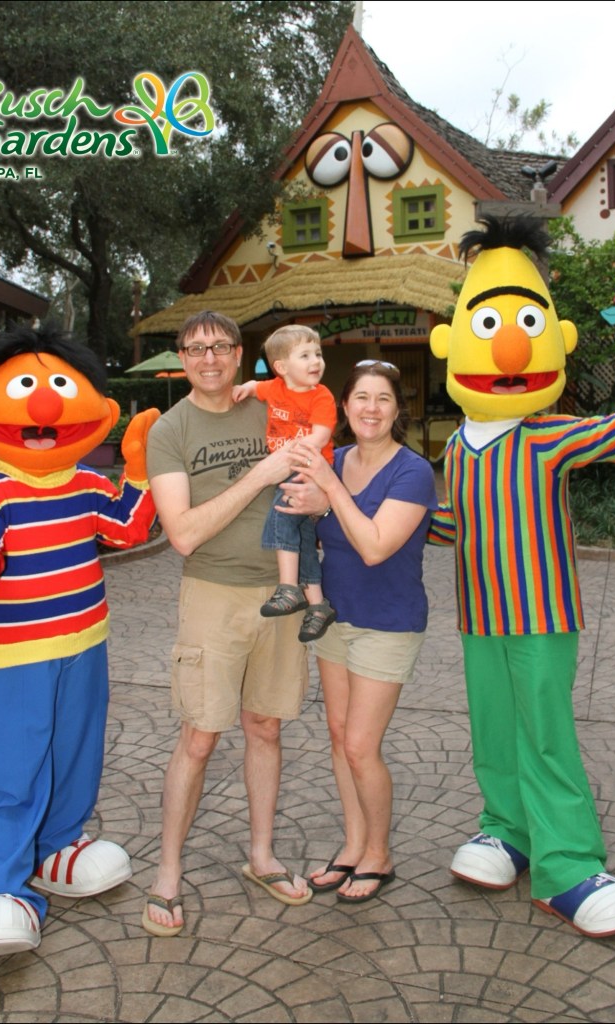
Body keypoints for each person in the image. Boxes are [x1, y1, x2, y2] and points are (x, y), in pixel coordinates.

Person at [428, 215, 615, 938]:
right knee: (494, 729)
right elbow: (451, 525)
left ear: (556, 339)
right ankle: (507, 829)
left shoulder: (546, 437)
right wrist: (365, 517)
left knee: (545, 732)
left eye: (527, 326)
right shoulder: (457, 451)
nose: (508, 346)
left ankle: (566, 863)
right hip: (479, 617)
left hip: (541, 614)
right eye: (489, 326)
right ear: (450, 343)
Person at [0, 323, 159, 960]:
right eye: (26, 389)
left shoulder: (86, 481)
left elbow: (128, 529)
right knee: (12, 763)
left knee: (76, 749)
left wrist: (138, 472)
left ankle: (57, 846)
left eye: (60, 389)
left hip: (83, 640)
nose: (45, 406)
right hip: (10, 651)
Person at [143, 311, 313, 937]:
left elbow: (318, 454)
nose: (209, 359)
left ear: (241, 355)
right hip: (212, 594)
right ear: (181, 359)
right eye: (195, 349)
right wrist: (259, 476)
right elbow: (183, 534)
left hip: (280, 590)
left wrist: (320, 496)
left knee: (265, 727)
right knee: (199, 737)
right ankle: (167, 873)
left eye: (220, 347)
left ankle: (261, 856)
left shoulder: (269, 405)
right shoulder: (170, 430)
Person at [278, 360, 438, 903]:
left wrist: (328, 492)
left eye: (383, 399)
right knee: (339, 737)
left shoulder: (412, 472)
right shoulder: (335, 457)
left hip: (387, 622)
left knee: (361, 746)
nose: (371, 409)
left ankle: (379, 853)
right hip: (334, 615)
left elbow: (374, 546)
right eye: (361, 398)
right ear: (344, 406)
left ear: (397, 410)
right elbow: (298, 520)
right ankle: (352, 845)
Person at [232, 324, 337, 642]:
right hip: (289, 468)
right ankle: (317, 604)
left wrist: (290, 454)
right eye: (305, 355)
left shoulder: (321, 395)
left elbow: (321, 436)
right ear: (281, 367)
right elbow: (256, 387)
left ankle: (289, 587)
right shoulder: (275, 388)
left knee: (280, 517)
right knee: (303, 537)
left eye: (317, 354)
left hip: (308, 469)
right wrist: (244, 388)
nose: (316, 361)